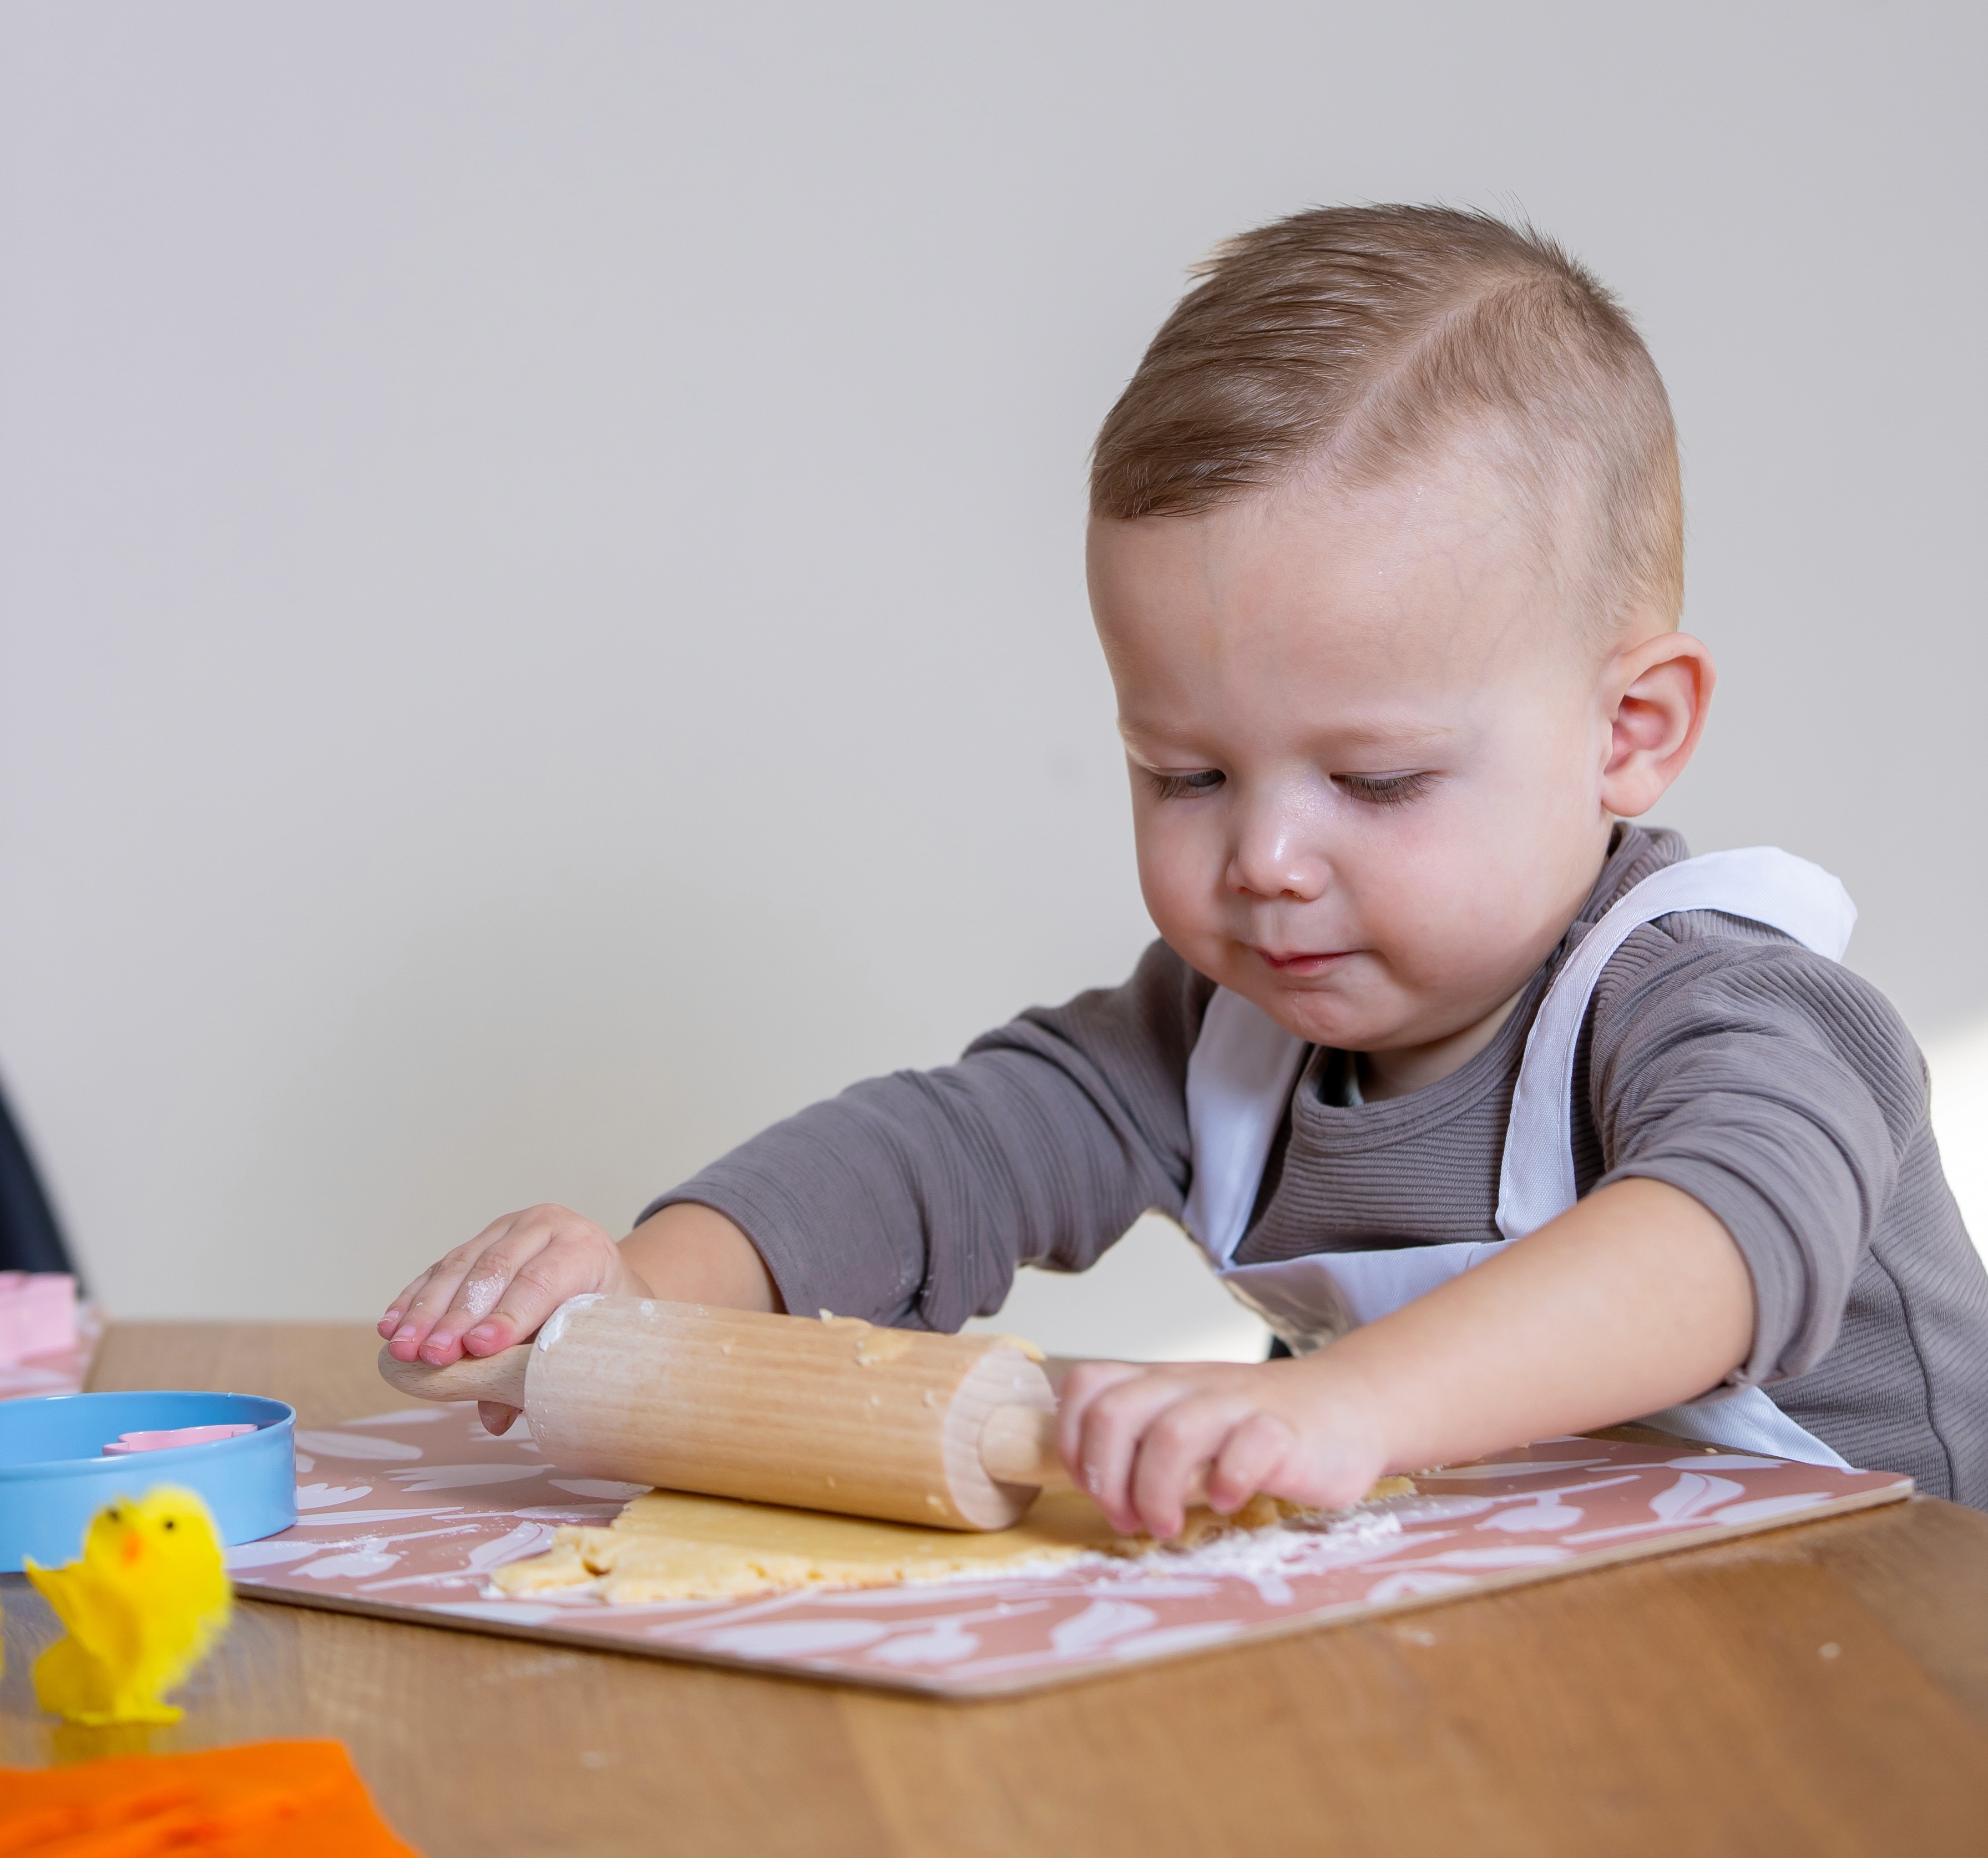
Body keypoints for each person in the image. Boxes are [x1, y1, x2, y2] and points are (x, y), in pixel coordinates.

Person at [379, 205, 1988, 1530]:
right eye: (1187, 774)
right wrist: (639, 1295)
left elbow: (1720, 1235)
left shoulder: (1733, 1001)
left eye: (1376, 779)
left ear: (1631, 728)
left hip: (1889, 1661)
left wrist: (1346, 1402)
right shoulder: (1219, 1032)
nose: (1268, 859)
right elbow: (937, 1155)